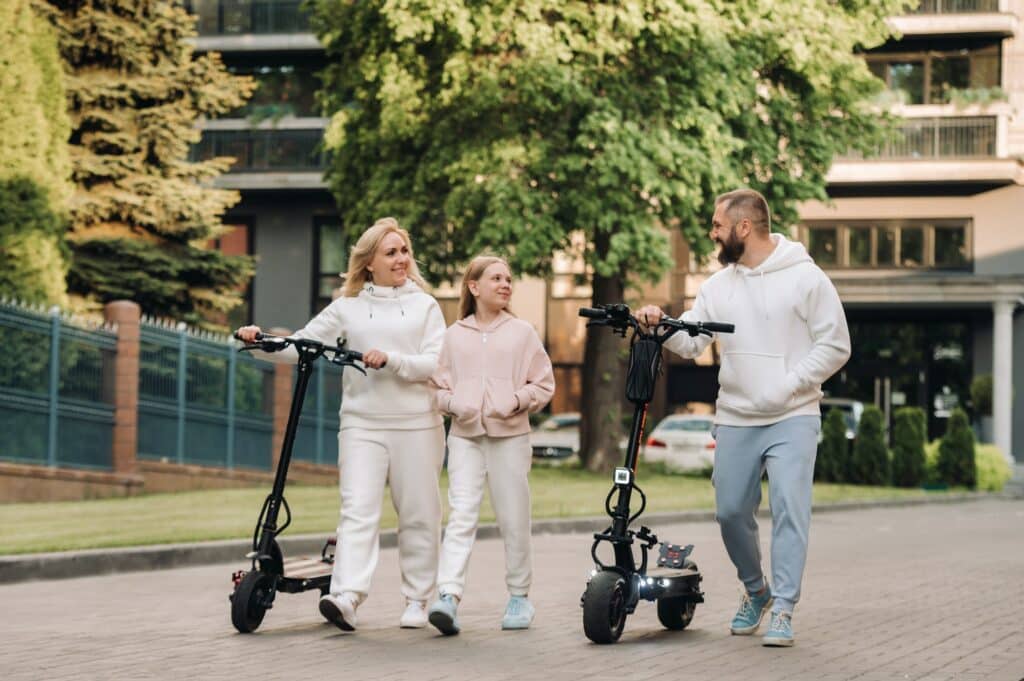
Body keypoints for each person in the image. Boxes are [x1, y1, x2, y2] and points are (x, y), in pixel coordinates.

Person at [636, 188, 850, 647]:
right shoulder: (718, 286)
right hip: (736, 414)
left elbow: (835, 346)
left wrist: (788, 383)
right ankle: (757, 590)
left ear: (744, 227)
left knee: (790, 511)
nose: (712, 233)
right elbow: (693, 343)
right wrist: (660, 326)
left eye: (717, 225)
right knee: (731, 512)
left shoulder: (806, 278)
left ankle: (785, 609)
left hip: (793, 414)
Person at [235, 217, 447, 632]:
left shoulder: (426, 305)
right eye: (391, 252)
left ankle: (418, 600)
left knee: (420, 513)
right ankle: (346, 595)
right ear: (369, 262)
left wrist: (393, 359)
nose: (401, 259)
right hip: (361, 425)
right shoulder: (347, 307)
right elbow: (301, 347)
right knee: (357, 510)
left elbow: (437, 364)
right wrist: (258, 342)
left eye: (404, 251)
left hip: (417, 425)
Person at [425, 255, 555, 635]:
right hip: (465, 438)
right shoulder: (454, 335)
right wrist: (455, 404)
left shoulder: (522, 332)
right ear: (473, 286)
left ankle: (519, 597)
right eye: (496, 278)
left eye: (509, 279)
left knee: (513, 519)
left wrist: (514, 401)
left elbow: (544, 384)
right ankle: (447, 596)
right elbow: (436, 390)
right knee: (461, 514)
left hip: (510, 438)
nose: (505, 284)